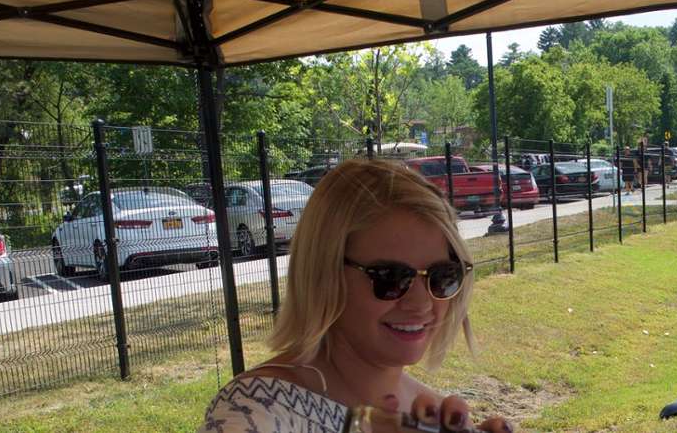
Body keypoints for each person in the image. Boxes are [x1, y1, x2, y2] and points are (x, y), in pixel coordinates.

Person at [200, 160, 510, 433]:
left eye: (443, 277)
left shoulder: (429, 414)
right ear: (324, 274)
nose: (421, 303)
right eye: (390, 277)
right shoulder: (256, 409)